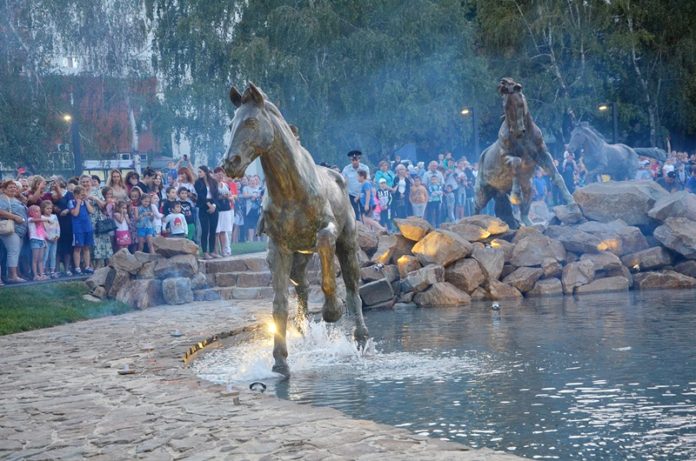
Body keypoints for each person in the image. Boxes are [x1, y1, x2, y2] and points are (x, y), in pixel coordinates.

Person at [0, 181, 28, 284]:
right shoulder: (2, 198)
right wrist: (15, 217)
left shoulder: (15, 199)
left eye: (14, 187)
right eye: (10, 187)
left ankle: (11, 275)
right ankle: (13, 276)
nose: (13, 189)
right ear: (4, 189)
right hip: (11, 229)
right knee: (13, 251)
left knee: (14, 252)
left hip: (19, 230)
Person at [194, 166, 220, 259]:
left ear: (205, 172)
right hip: (203, 206)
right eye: (198, 172)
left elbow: (216, 195)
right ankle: (205, 252)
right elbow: (201, 195)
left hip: (214, 206)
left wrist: (214, 206)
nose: (199, 173)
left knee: (213, 229)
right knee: (205, 230)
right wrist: (209, 205)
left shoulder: (213, 182)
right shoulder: (198, 183)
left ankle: (212, 251)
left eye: (200, 171)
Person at [68, 185, 95, 274]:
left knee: (86, 247)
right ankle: (77, 267)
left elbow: (91, 211)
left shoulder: (86, 201)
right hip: (78, 229)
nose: (83, 196)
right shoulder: (71, 202)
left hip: (87, 228)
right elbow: (75, 214)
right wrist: (78, 203)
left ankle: (87, 266)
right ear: (76, 195)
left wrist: (86, 201)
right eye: (81, 195)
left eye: (84, 194)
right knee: (78, 248)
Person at [342, 150, 370, 220]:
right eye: (352, 160)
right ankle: (357, 229)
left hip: (363, 194)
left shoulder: (365, 168)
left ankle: (366, 229)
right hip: (351, 194)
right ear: (350, 160)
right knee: (354, 214)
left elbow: (368, 180)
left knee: (365, 214)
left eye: (356, 159)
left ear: (359, 159)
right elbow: (343, 181)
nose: (354, 162)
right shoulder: (346, 169)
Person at [27, 204, 48, 280]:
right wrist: (45, 219)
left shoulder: (40, 220)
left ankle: (42, 274)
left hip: (41, 240)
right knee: (35, 259)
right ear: (31, 212)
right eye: (36, 211)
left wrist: (45, 241)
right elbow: (35, 220)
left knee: (41, 259)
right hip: (34, 240)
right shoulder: (30, 219)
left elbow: (42, 232)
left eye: (39, 211)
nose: (38, 213)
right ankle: (35, 275)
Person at [241, 175, 264, 242]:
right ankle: (251, 240)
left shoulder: (259, 188)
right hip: (249, 210)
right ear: (249, 182)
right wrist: (252, 195)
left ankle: (259, 240)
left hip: (258, 209)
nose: (252, 182)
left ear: (256, 181)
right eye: (251, 181)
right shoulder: (246, 188)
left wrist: (257, 197)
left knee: (258, 224)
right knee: (250, 225)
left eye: (254, 181)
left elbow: (262, 196)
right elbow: (244, 195)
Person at [41, 200, 60, 278]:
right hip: (46, 239)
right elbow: (42, 229)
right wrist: (48, 238)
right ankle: (44, 271)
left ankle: (52, 271)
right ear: (43, 209)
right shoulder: (41, 218)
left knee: (53, 255)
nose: (49, 210)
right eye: (47, 208)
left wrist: (57, 235)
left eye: (50, 208)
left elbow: (57, 227)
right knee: (45, 255)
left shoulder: (54, 216)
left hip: (54, 238)